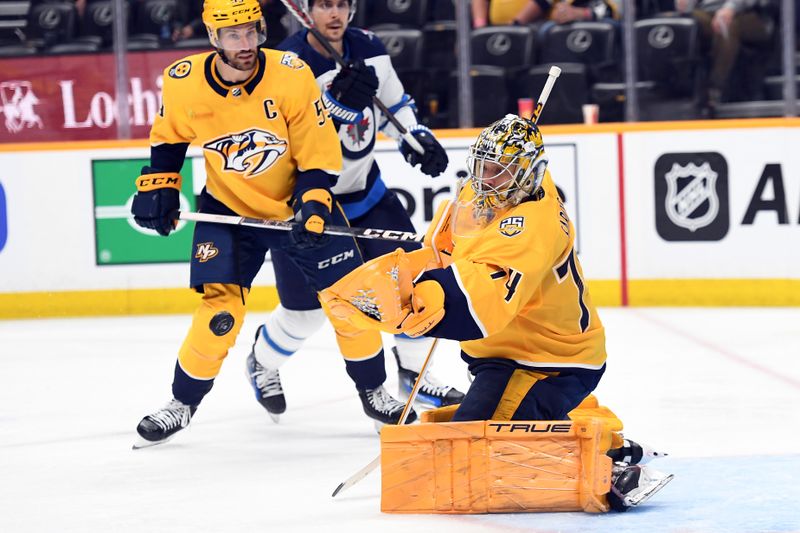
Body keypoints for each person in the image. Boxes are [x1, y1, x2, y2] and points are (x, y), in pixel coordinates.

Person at [320, 114, 673, 511]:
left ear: (530, 174)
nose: (486, 179)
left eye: (499, 172)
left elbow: (481, 301)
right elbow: (443, 251)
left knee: (484, 454)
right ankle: (598, 428)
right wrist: (406, 275)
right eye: (483, 167)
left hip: (553, 360)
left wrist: (421, 299)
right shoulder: (484, 192)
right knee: (466, 446)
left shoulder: (532, 225)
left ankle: (608, 467)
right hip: (501, 355)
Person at [130, 0, 395, 447]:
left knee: (351, 302)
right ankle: (181, 404)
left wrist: (312, 205)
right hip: (228, 210)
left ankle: (374, 391)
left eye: (252, 31)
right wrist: (159, 186)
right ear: (213, 38)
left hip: (296, 206)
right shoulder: (183, 81)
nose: (246, 43)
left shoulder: (291, 74)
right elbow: (170, 139)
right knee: (220, 313)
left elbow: (317, 151)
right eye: (233, 35)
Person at [244, 0, 465, 425]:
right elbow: (282, 136)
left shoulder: (369, 46)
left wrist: (414, 136)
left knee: (413, 280)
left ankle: (413, 373)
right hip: (308, 207)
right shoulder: (286, 63)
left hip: (368, 195)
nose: (334, 14)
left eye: (342, 4)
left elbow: (394, 104)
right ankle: (262, 361)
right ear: (306, 10)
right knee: (304, 313)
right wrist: (332, 103)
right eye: (324, 4)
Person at [676, 0, 772, 109]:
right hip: (707, 12)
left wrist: (730, 8)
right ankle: (676, 89)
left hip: (749, 14)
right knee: (682, 21)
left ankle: (715, 88)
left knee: (726, 25)